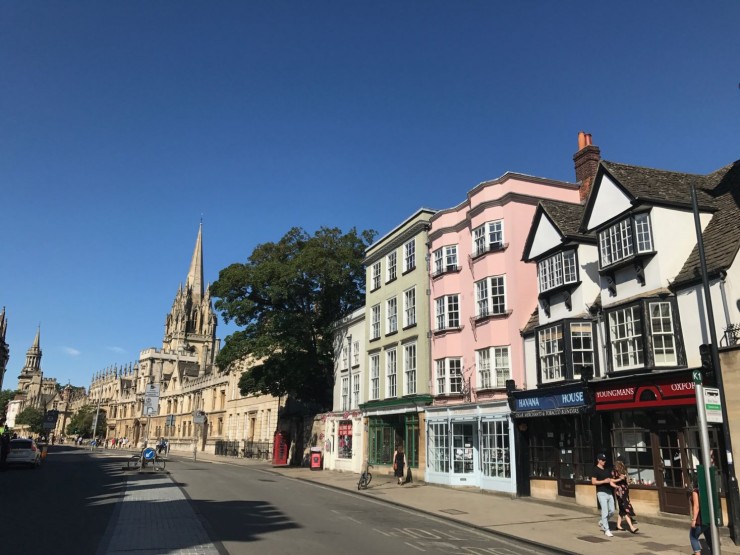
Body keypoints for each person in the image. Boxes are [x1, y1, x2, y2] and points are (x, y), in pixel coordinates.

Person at [591, 452, 616, 537]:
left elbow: (611, 480)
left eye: (605, 460)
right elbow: (593, 482)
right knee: (604, 511)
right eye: (602, 460)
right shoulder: (595, 470)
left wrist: (618, 484)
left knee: (612, 511)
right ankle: (606, 529)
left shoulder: (607, 469)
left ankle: (602, 522)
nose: (604, 461)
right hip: (601, 492)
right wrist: (603, 481)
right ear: (598, 460)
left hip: (609, 492)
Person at [611, 459, 638, 533]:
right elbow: (611, 481)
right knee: (625, 508)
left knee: (622, 509)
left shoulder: (624, 472)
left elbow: (627, 482)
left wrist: (628, 480)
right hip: (619, 492)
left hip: (625, 491)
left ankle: (618, 525)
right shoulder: (614, 472)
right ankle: (631, 527)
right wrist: (619, 479)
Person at [690, 483, 713, 554]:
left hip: (700, 519)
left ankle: (697, 553)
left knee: (693, 537)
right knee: (709, 537)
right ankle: (714, 551)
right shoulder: (709, 491)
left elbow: (696, 506)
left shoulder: (696, 491)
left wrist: (694, 520)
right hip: (709, 518)